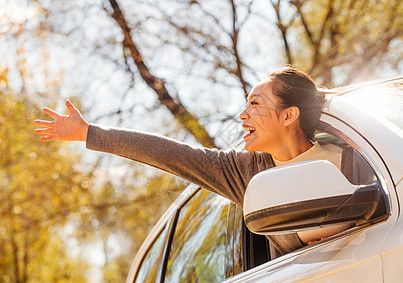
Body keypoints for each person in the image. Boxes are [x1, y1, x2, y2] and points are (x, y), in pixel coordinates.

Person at [34, 66, 351, 256]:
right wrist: (88, 132)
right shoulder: (245, 173)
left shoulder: (351, 158)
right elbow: (169, 154)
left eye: (255, 103)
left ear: (288, 115)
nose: (243, 114)